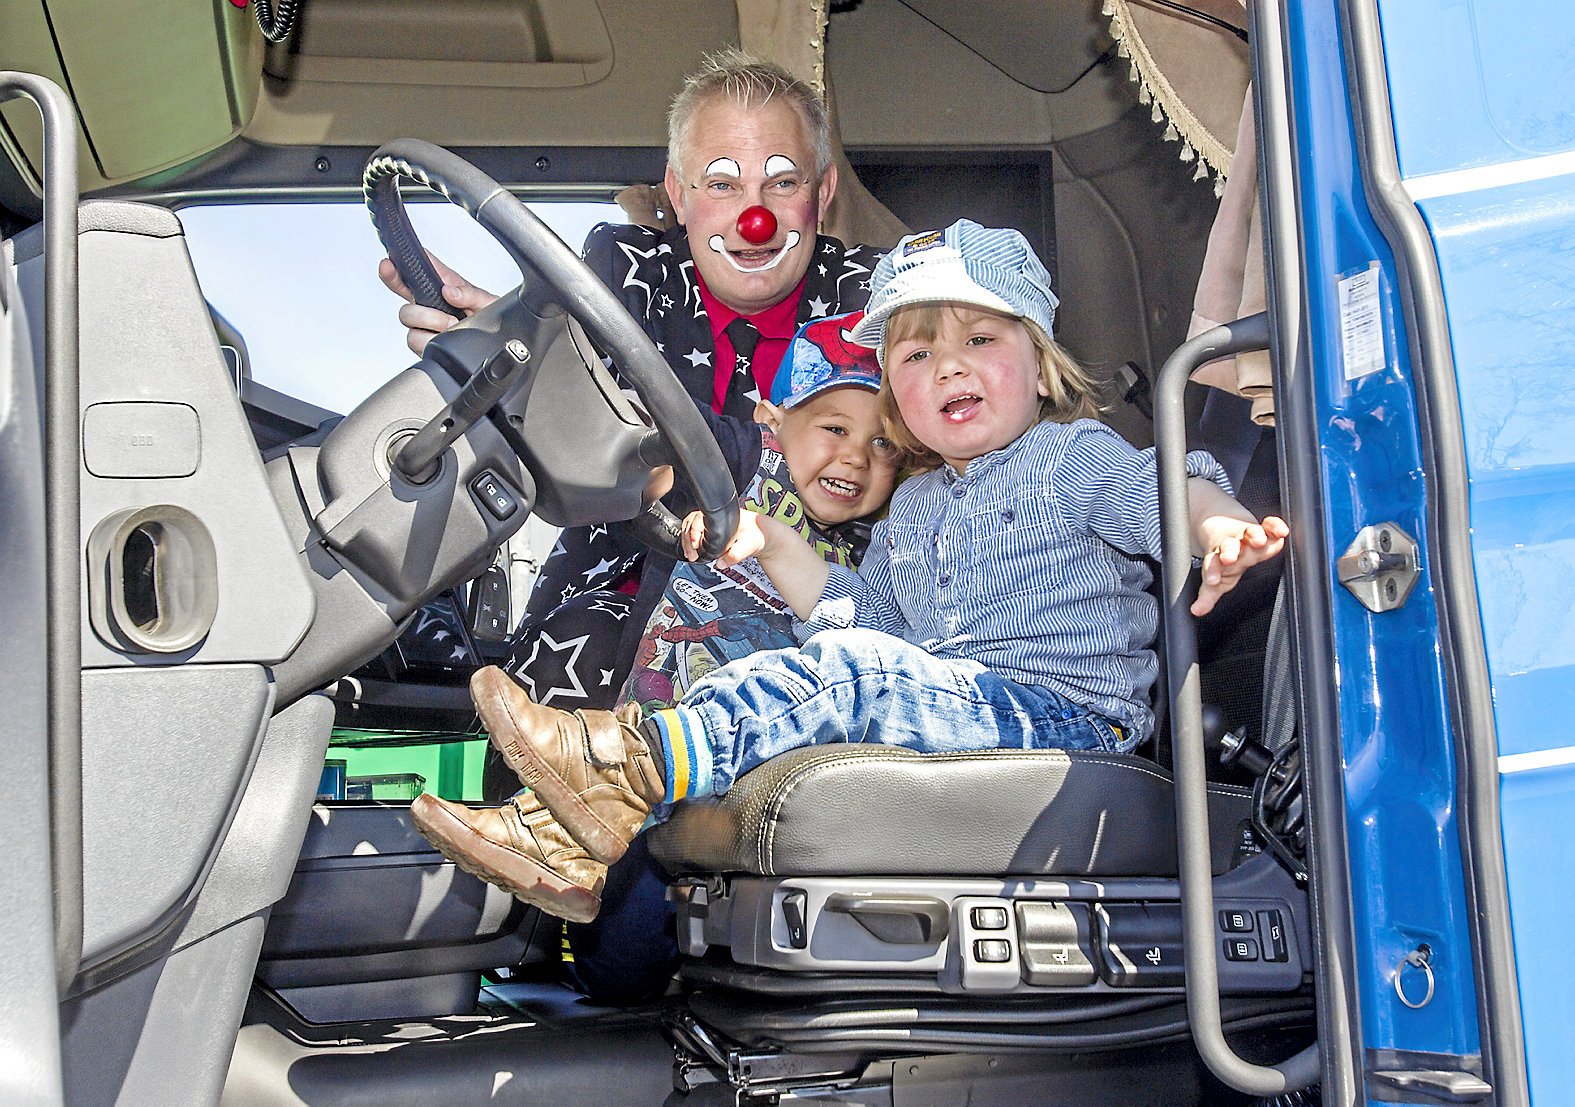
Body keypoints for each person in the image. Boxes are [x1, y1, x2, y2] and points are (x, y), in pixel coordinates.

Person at [460, 219, 1289, 882]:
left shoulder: (1070, 456)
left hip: (1061, 718)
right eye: (916, 354)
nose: (947, 367)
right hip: (952, 705)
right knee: (775, 669)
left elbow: (1163, 488)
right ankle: (561, 834)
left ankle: (622, 763)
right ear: (897, 393)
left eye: (981, 341)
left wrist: (1217, 528)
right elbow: (872, 617)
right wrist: (773, 540)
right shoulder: (914, 506)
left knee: (854, 672)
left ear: (1039, 366)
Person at [381, 51, 885, 1001]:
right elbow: (617, 426)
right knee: (617, 966)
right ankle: (566, 877)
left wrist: (652, 436)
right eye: (722, 182)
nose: (755, 214)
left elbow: (848, 454)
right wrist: (519, 351)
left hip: (806, 594)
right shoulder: (621, 269)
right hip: (622, 599)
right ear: (677, 193)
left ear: (821, 194)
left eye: (783, 183)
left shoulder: (879, 304)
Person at [411, 312, 900, 920]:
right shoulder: (745, 457)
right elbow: (664, 441)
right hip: (664, 706)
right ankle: (549, 846)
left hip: (761, 735)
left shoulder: (888, 532)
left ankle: (561, 852)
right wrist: (539, 355)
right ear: (774, 419)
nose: (856, 457)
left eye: (883, 443)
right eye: (834, 427)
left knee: (625, 961)